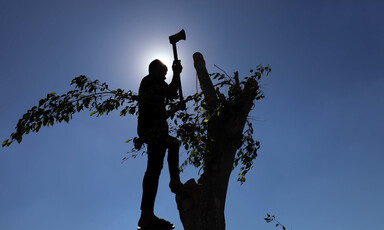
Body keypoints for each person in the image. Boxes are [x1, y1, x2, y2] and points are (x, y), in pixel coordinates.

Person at [137, 59, 184, 229]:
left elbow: (159, 108)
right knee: (154, 168)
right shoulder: (151, 80)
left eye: (166, 73)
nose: (165, 76)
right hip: (153, 130)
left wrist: (175, 109)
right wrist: (177, 73)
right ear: (155, 70)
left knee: (156, 166)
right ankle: (174, 181)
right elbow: (171, 92)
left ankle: (147, 214)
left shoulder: (151, 85)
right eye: (163, 72)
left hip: (153, 128)